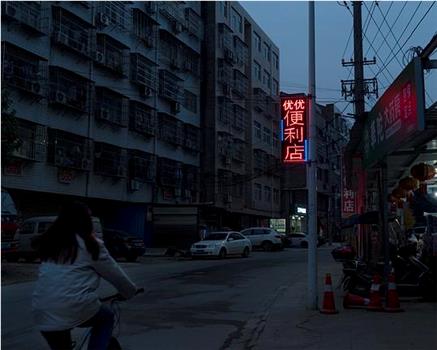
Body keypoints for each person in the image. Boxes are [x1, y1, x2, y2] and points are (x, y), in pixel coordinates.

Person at [32, 201, 139, 350]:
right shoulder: (90, 244)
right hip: (73, 305)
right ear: (85, 220)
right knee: (106, 318)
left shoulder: (52, 243)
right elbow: (115, 274)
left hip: (42, 309)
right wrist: (129, 291)